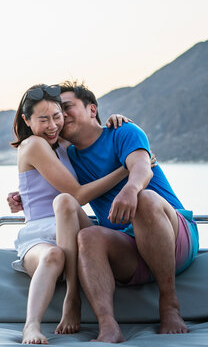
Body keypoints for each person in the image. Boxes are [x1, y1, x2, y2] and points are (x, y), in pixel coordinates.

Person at [55, 81, 199, 343]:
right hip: (128, 254)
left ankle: (169, 306)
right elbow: (55, 188)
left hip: (173, 236)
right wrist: (20, 198)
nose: (62, 116)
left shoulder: (123, 131)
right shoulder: (68, 157)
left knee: (144, 199)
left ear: (91, 109)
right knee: (87, 237)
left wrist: (131, 189)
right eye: (57, 111)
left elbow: (143, 166)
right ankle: (108, 325)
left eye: (67, 107)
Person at [10, 83, 134, 345]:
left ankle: (74, 295)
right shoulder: (33, 144)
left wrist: (115, 120)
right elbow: (77, 194)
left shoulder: (62, 143)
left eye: (57, 116)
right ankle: (32, 325)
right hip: (40, 236)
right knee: (55, 247)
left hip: (71, 229)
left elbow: (92, 133)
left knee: (65, 203)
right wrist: (124, 171)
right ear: (27, 120)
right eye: (43, 119)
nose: (53, 125)